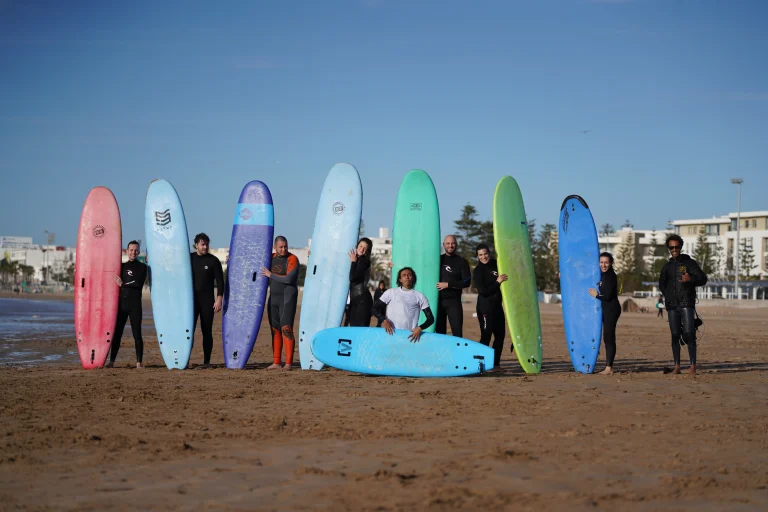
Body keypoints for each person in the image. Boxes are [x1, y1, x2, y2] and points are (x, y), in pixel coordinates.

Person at [659, 234, 707, 375]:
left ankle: (692, 366)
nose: (674, 249)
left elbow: (703, 279)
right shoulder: (667, 266)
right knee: (675, 334)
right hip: (672, 305)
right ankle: (677, 366)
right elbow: (662, 284)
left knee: (689, 333)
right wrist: (668, 296)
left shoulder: (689, 263)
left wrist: (691, 279)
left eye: (677, 247)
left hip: (687, 303)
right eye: (671, 247)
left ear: (680, 247)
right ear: (668, 248)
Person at [106, 240, 148, 368]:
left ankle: (139, 362)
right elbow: (106, 271)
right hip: (122, 306)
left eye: (136, 250)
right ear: (126, 251)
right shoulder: (121, 266)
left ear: (139, 252)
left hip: (135, 306)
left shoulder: (143, 267)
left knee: (137, 334)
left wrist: (122, 284)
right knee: (117, 334)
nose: (133, 252)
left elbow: (137, 283)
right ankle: (111, 361)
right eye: (131, 250)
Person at [261, 236, 299, 370]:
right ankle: (276, 362)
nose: (283, 249)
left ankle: (288, 363)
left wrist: (270, 275)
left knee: (286, 329)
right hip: (273, 299)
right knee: (275, 329)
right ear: (275, 247)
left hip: (287, 299)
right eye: (281, 247)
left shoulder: (292, 259)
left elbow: (289, 279)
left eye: (285, 246)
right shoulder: (270, 258)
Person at [371, 267, 434, 342]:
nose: (407, 277)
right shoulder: (390, 292)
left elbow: (430, 319)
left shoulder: (420, 296)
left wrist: (420, 328)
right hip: (391, 335)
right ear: (400, 279)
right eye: (404, 275)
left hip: (410, 337)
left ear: (413, 278)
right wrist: (384, 320)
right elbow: (374, 309)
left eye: (409, 275)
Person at [191, 233, 224, 368]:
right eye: (202, 244)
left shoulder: (213, 261)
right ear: (196, 245)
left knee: (207, 331)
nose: (205, 247)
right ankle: (184, 359)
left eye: (207, 244)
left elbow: (220, 282)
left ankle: (207, 361)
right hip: (191, 303)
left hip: (207, 301)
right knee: (188, 332)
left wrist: (219, 299)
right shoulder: (188, 258)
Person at [473, 244, 507, 372]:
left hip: (497, 306)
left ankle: (495, 364)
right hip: (485, 308)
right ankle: (479, 365)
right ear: (477, 256)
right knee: (486, 335)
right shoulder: (478, 271)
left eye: (485, 254)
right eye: (480, 255)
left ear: (489, 253)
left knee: (500, 336)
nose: (483, 257)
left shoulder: (496, 264)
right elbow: (483, 291)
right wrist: (498, 282)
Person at [588, 252, 621, 375]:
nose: (603, 265)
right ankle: (608, 366)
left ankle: (609, 368)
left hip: (612, 309)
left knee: (608, 337)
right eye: (601, 262)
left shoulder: (611, 276)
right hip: (605, 308)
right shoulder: (601, 275)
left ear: (611, 263)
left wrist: (596, 295)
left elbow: (607, 296)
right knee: (606, 337)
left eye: (606, 262)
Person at [436, 235, 471, 337]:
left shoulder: (462, 261)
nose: (450, 246)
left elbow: (467, 282)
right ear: (443, 245)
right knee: (440, 334)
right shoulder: (438, 260)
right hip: (438, 302)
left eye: (453, 243)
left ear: (456, 245)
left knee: (457, 333)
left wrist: (448, 284)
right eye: (448, 243)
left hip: (454, 302)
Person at [348, 237, 373, 327]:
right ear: (357, 246)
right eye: (361, 246)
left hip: (362, 300)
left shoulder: (364, 261)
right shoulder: (357, 259)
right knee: (353, 327)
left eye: (365, 248)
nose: (362, 249)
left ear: (367, 251)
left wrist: (353, 262)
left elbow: (352, 278)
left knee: (360, 328)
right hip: (355, 299)